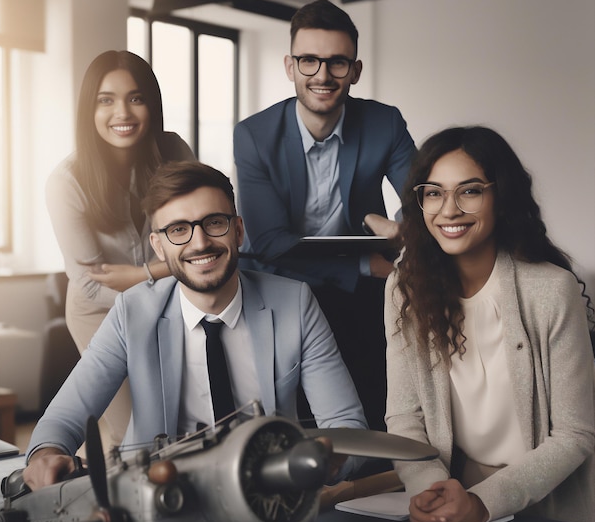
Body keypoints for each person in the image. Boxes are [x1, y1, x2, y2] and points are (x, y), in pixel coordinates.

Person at [24, 160, 368, 490]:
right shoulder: (132, 311)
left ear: (238, 231)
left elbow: (348, 427)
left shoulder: (295, 302)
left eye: (214, 223)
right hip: (162, 506)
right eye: (179, 230)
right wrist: (47, 454)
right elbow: (63, 418)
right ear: (158, 246)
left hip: (269, 500)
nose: (200, 242)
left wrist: (327, 461)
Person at [377, 126, 595, 522]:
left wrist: (481, 503)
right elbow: (405, 416)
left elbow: (575, 433)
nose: (449, 210)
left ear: (501, 197)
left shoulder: (550, 290)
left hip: (552, 505)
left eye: (470, 191)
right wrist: (433, 491)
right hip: (454, 495)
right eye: (434, 192)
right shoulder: (403, 289)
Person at [233, 0, 415, 431]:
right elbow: (270, 244)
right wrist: (360, 263)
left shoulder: (383, 123)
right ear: (290, 66)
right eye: (309, 60)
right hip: (279, 286)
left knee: (376, 403)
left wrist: (407, 227)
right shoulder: (254, 135)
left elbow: (424, 197)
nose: (322, 75)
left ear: (355, 70)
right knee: (290, 421)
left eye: (337, 63)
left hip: (360, 295)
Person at [46, 50, 195, 446]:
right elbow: (92, 284)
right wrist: (162, 277)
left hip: (166, 300)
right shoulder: (67, 182)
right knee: (134, 434)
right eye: (105, 100)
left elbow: (196, 242)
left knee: (177, 423)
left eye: (136, 97)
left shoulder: (175, 153)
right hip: (99, 312)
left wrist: (143, 274)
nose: (122, 113)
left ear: (152, 104)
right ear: (89, 110)